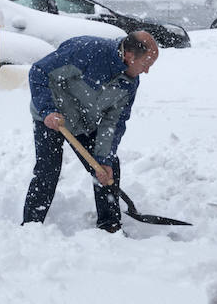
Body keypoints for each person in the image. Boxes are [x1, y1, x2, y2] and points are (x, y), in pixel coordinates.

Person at [22, 31, 159, 233]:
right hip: (51, 116)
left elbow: (114, 122)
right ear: (129, 56)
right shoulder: (88, 51)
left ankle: (109, 224)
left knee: (107, 167)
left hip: (83, 123)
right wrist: (48, 110)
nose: (146, 71)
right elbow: (39, 72)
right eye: (145, 64)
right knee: (48, 170)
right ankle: (31, 225)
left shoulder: (129, 83)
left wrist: (104, 158)